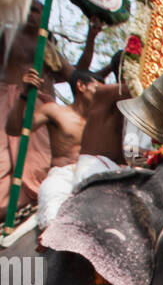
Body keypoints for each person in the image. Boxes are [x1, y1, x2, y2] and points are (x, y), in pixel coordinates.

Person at [6, 65, 101, 231]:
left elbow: (128, 149)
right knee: (52, 221)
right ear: (81, 86)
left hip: (93, 178)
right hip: (61, 178)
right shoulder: (55, 111)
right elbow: (13, 129)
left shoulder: (101, 122)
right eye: (98, 89)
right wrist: (24, 94)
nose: (103, 95)